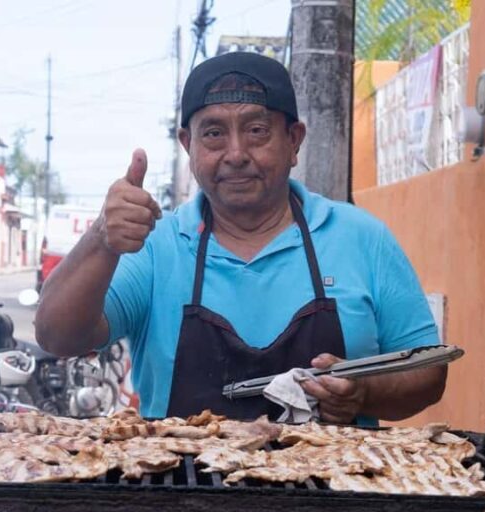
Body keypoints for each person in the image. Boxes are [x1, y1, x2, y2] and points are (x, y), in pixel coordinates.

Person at [35, 52, 446, 423]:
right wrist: (101, 240)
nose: (235, 153)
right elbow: (57, 337)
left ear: (294, 141)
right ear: (187, 145)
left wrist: (365, 394)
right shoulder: (157, 247)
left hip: (335, 499)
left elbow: (428, 372)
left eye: (256, 130)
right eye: (213, 133)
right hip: (178, 495)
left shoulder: (361, 237)